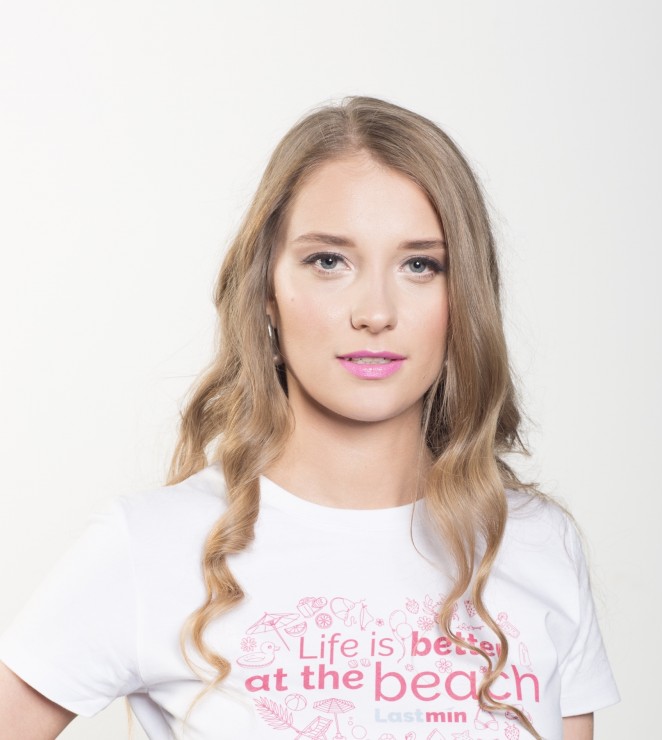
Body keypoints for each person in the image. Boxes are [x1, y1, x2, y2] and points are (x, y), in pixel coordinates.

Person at [0, 96, 619, 740]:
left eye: (420, 265)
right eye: (329, 261)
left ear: (463, 297)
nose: (375, 312)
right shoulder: (152, 546)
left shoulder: (537, 542)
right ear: (267, 291)